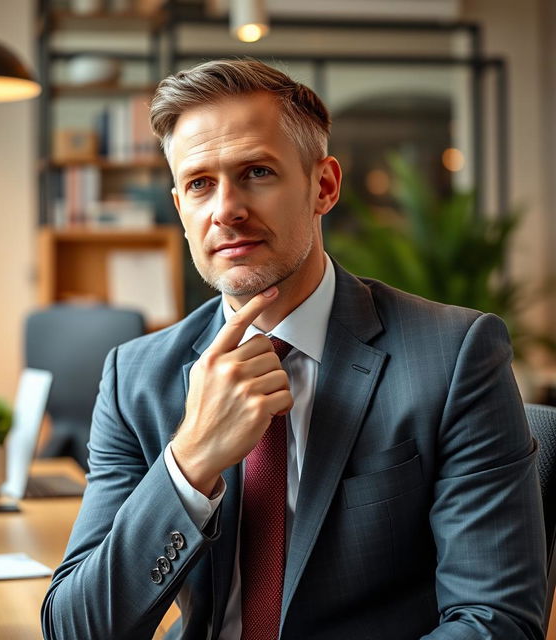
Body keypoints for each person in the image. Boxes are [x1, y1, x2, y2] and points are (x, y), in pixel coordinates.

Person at [41, 58, 546, 640]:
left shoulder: (456, 356)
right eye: (200, 183)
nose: (226, 209)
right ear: (180, 209)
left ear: (323, 187)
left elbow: (495, 623)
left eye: (256, 172)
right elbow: (74, 629)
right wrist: (190, 463)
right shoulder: (136, 377)